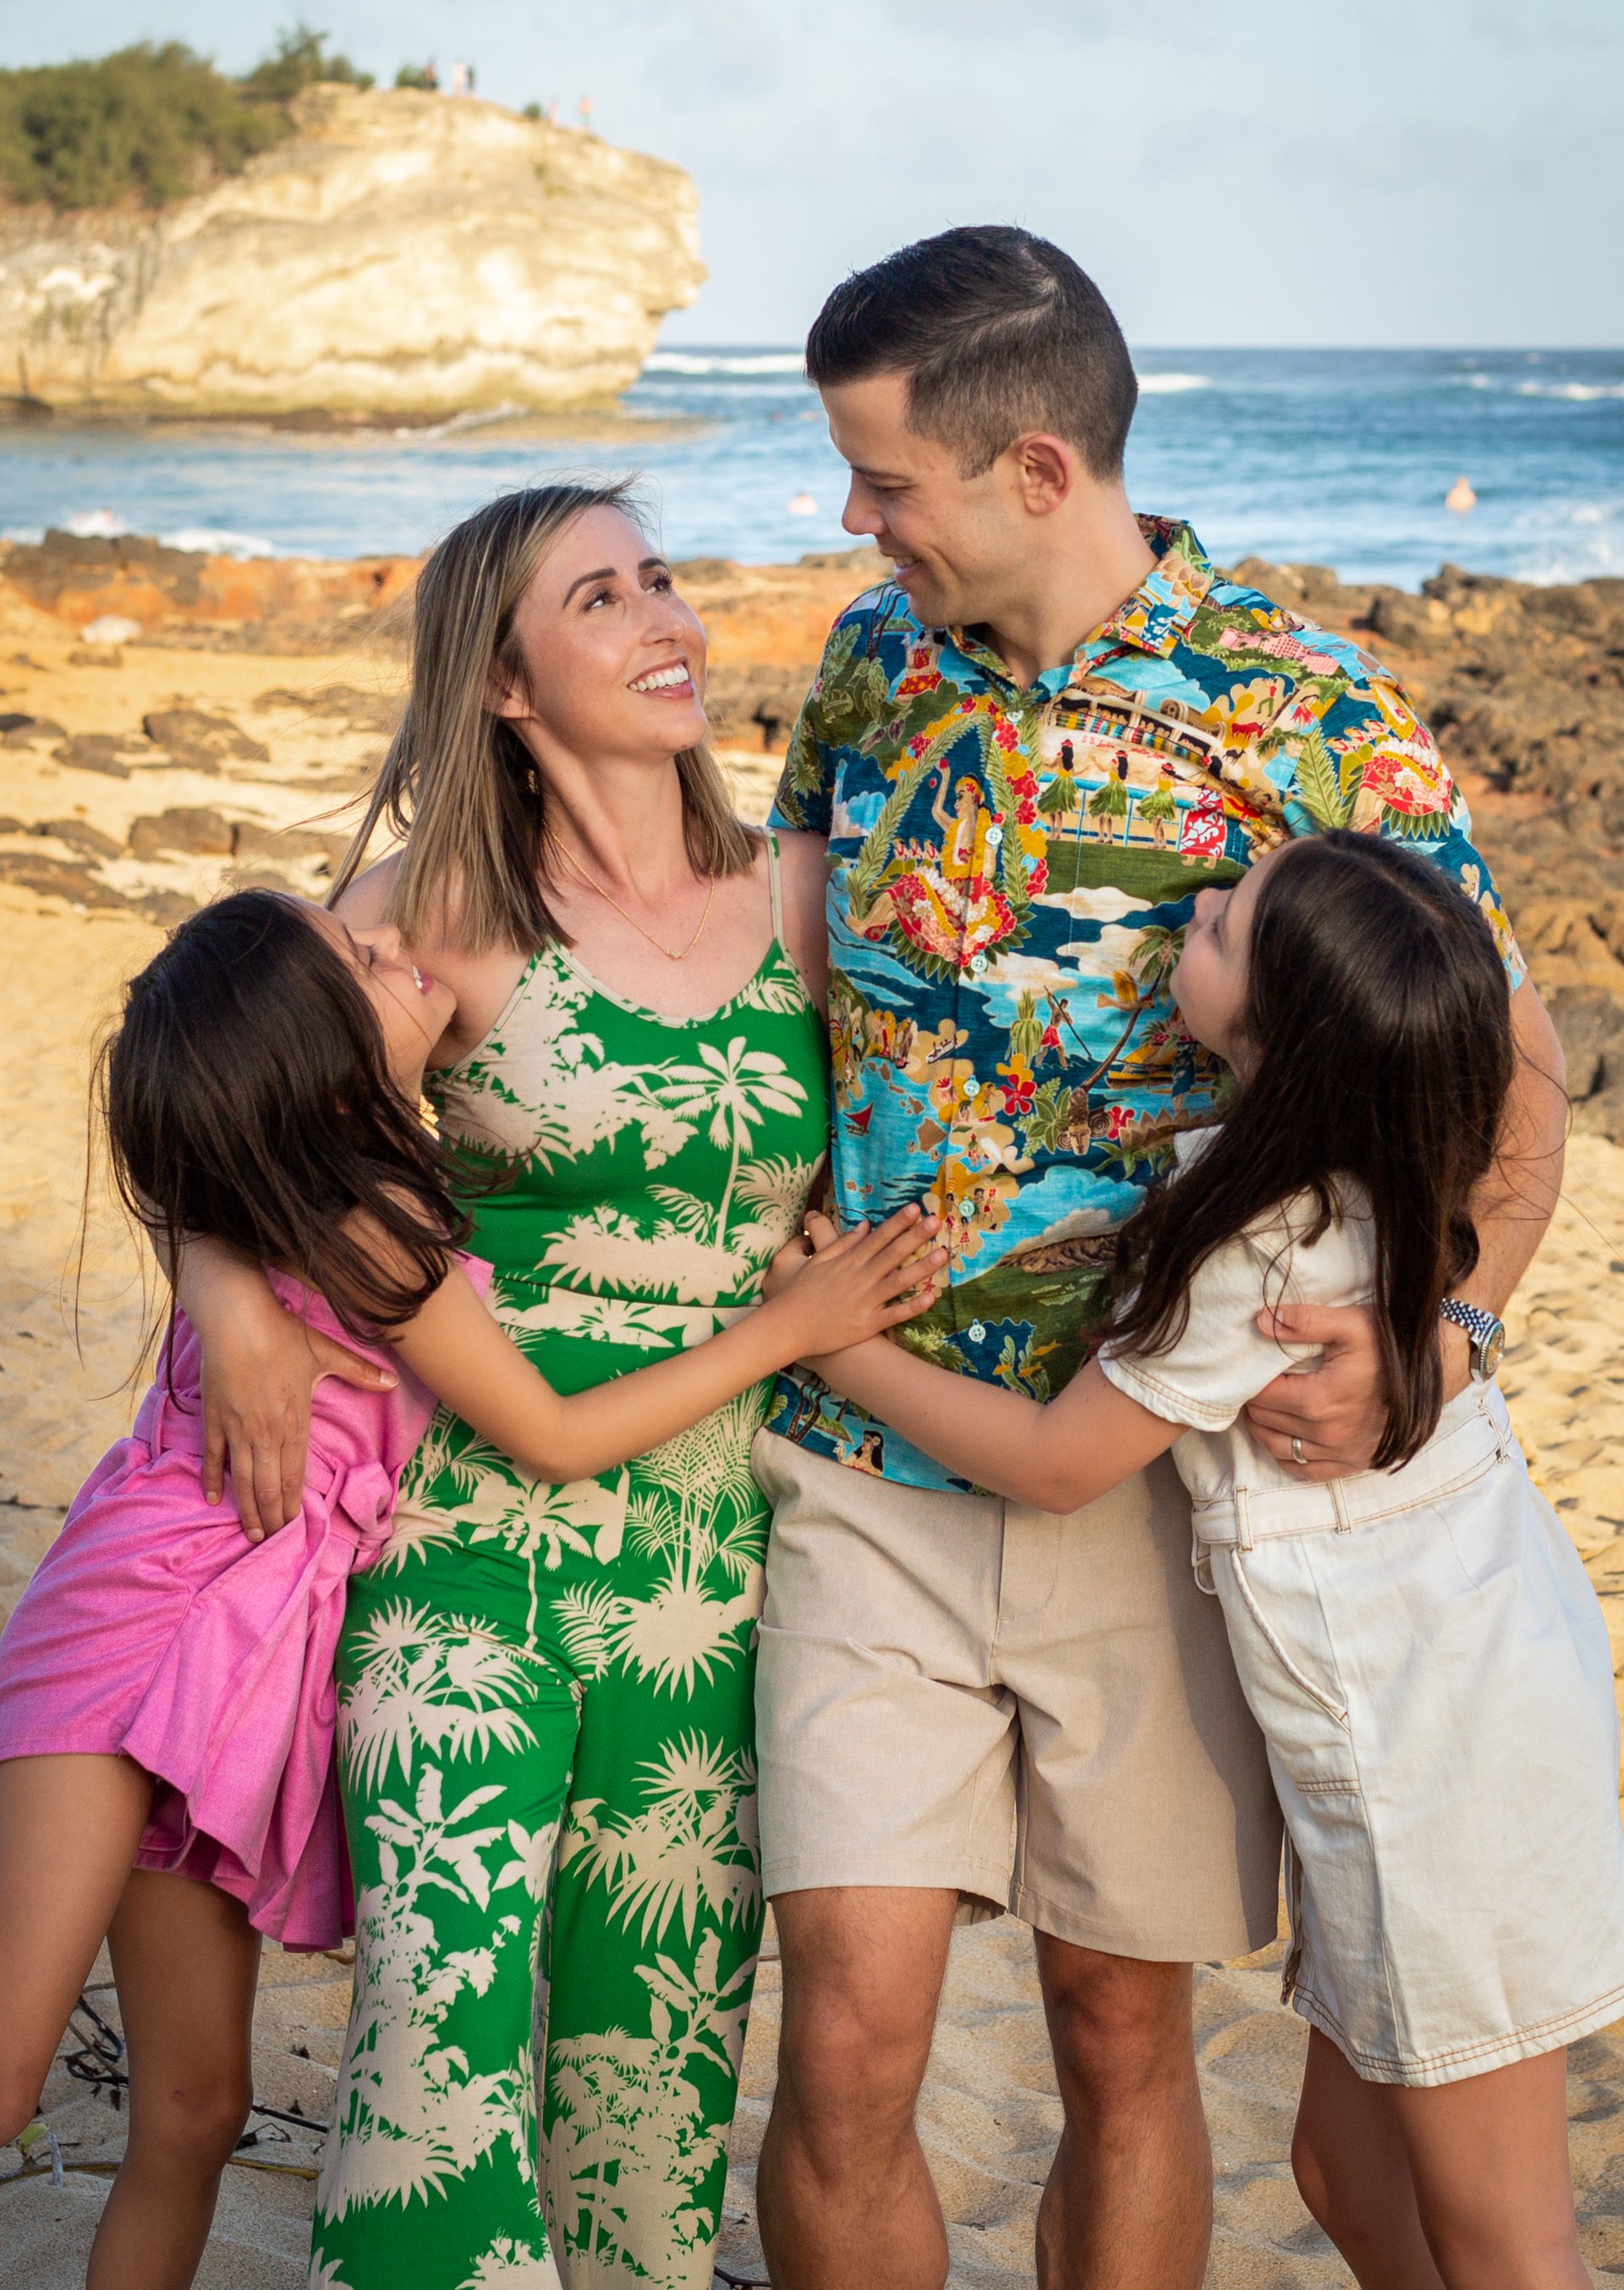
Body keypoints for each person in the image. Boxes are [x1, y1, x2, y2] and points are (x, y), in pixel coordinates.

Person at [757, 226, 1567, 2290]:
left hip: (1158, 1494)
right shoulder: (867, 667)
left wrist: (1450, 1328)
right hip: (859, 1470)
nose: (853, 521)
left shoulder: (1309, 717)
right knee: (844, 2037)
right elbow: (763, 978)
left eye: (884, 480)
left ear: (1035, 468)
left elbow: (1516, 1075)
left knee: (1120, 2036)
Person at [0, 886, 936, 2290]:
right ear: (315, 1063)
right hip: (141, 1627)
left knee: (193, 2113)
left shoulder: (341, 1178)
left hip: (257, 1661)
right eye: (364, 960)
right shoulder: (364, 1216)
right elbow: (549, 1434)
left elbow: (195, 1119)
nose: (398, 946)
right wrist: (786, 1329)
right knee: (9, 2065)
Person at [784, 827, 1624, 2290]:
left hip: (1431, 1764)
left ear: (1283, 1037)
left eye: (1231, 921)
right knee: (1343, 2176)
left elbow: (1059, 1465)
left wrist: (835, 1345)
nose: (1205, 901)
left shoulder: (1266, 1249)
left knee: (1506, 2237)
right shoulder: (1380, 1177)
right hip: (1454, 1705)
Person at [169, 482, 848, 2289]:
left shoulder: (805, 897)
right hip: (463, 1548)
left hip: (718, 1572)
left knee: (654, 2080)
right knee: (433, 2050)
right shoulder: (428, 914)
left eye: (662, 580)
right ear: (502, 681)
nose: (665, 620)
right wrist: (227, 1289)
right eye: (601, 597)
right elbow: (223, 1108)